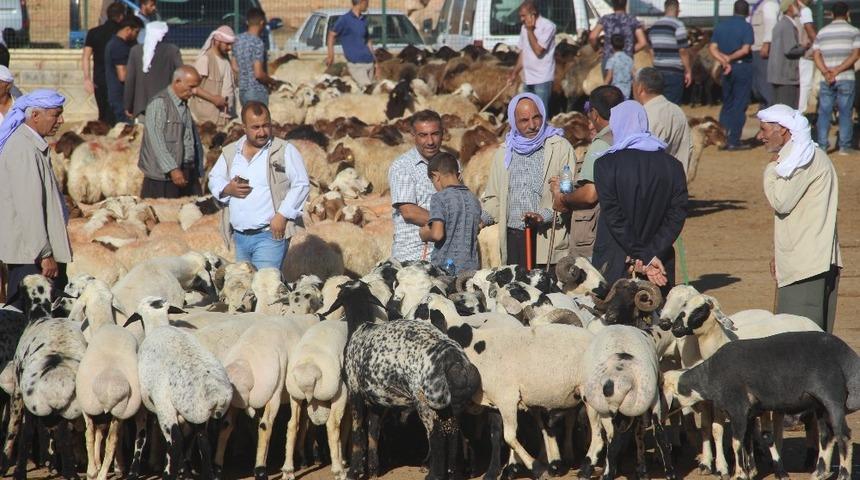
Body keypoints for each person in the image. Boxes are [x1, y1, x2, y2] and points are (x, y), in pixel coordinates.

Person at [756, 104, 841, 332]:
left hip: (808, 265)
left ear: (782, 130)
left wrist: (769, 171)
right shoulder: (798, 157)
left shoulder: (803, 160)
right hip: (804, 261)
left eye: (763, 130)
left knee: (800, 341)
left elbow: (781, 202)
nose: (759, 136)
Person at [592, 100, 687, 290]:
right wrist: (651, 255)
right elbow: (676, 216)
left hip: (615, 259)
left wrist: (640, 255)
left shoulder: (605, 164)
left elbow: (614, 217)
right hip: (658, 264)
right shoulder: (673, 166)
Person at [208, 101, 310, 271]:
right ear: (244, 127)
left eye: (266, 125)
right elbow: (214, 178)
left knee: (264, 286)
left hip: (270, 234)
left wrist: (282, 215)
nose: (262, 132)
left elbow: (301, 184)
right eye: (255, 127)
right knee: (246, 287)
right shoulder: (231, 152)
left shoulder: (283, 150)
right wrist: (227, 189)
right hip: (240, 236)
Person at [481, 92, 575, 269]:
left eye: (537, 117)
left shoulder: (560, 147)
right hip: (514, 239)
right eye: (524, 120)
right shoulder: (503, 153)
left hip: (546, 238)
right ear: (513, 122)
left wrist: (543, 216)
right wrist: (482, 219)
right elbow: (494, 198)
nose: (532, 125)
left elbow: (568, 195)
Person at [0, 90, 70, 306]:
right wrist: (44, 253)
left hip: (32, 254)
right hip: (31, 257)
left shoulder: (31, 145)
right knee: (27, 319)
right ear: (35, 115)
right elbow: (29, 208)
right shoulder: (23, 149)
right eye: (55, 115)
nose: (61, 120)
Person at [551, 85, 625, 260]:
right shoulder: (629, 137)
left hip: (596, 232)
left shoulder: (601, 144)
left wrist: (563, 197)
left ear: (594, 113)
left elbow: (590, 194)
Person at [138, 66, 204, 199]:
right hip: (163, 178)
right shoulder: (159, 104)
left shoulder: (183, 105)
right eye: (191, 87)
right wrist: (172, 169)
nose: (194, 92)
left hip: (185, 172)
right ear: (177, 82)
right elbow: (156, 141)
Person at [388, 110, 442, 262]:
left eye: (435, 134)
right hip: (413, 257)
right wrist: (454, 224)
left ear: (443, 134)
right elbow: (409, 212)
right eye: (423, 135)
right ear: (413, 136)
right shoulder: (402, 166)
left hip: (446, 255)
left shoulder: (451, 165)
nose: (430, 141)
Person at [419, 151, 482, 273]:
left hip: (446, 270)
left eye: (432, 181)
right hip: (470, 270)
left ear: (436, 176)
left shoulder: (439, 198)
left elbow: (437, 234)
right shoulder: (473, 198)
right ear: (458, 175)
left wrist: (424, 234)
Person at [813, 1, 860, 155]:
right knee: (846, 111)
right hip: (846, 76)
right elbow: (855, 55)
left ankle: (822, 145)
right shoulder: (854, 31)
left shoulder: (822, 32)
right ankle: (844, 147)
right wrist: (838, 69)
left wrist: (826, 71)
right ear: (847, 14)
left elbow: (816, 55)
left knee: (824, 111)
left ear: (831, 14)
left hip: (826, 78)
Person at [709, 0, 755, 150]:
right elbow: (745, 49)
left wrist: (723, 60)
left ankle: (722, 138)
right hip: (741, 68)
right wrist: (730, 58)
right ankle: (734, 140)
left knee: (727, 103)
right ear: (747, 12)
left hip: (725, 69)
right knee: (739, 104)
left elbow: (712, 48)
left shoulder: (721, 26)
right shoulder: (746, 27)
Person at [634, 67, 692, 176]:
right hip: (676, 182)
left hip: (654, 185)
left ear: (640, 87)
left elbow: (645, 159)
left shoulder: (646, 115)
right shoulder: (677, 110)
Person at [124, 21, 182, 121]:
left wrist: (127, 105)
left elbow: (130, 80)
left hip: (142, 107)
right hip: (166, 106)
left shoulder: (136, 51)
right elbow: (181, 76)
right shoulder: (172, 50)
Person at [507, 0, 556, 110]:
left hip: (542, 79)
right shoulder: (524, 28)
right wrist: (515, 72)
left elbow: (538, 51)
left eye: (523, 16)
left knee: (540, 112)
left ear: (533, 14)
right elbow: (523, 52)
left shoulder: (548, 27)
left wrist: (530, 31)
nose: (521, 19)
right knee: (527, 111)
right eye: (520, 16)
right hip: (527, 79)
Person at [83, 1, 125, 124]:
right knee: (117, 116)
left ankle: (103, 140)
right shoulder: (122, 34)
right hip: (118, 81)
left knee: (103, 114)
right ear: (121, 16)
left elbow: (86, 56)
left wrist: (87, 78)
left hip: (99, 80)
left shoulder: (93, 32)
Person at [646, 0, 691, 105]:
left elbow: (651, 50)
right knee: (672, 106)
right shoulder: (678, 25)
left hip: (657, 71)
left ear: (665, 9)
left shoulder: (654, 26)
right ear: (677, 10)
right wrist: (688, 71)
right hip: (674, 71)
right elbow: (683, 50)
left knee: (658, 105)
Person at [326, 0, 378, 90]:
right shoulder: (344, 20)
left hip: (369, 62)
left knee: (369, 93)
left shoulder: (364, 19)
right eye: (367, 3)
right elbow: (331, 34)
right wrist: (331, 55)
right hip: (356, 65)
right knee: (368, 90)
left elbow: (368, 40)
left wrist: (376, 61)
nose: (367, 6)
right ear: (361, 2)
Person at [190, 26, 236, 125]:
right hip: (207, 120)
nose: (230, 48)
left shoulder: (226, 59)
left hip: (224, 117)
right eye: (227, 44)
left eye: (231, 44)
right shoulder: (205, 59)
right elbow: (193, 87)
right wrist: (213, 99)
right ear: (217, 41)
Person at [234, 8, 279, 106]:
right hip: (257, 91)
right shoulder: (258, 43)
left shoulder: (237, 40)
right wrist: (272, 81)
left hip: (242, 90)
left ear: (247, 22)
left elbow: (234, 66)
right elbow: (258, 74)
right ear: (262, 23)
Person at [105, 16, 143, 126]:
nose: (137, 35)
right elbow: (122, 75)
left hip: (119, 96)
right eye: (136, 32)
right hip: (121, 97)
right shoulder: (118, 46)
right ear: (128, 30)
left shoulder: (116, 43)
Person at [768, 0, 806, 107]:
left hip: (778, 75)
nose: (799, 7)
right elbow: (789, 50)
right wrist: (804, 48)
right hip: (786, 76)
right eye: (796, 5)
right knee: (787, 110)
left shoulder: (780, 24)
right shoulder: (787, 25)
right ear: (790, 7)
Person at [589, 0, 648, 70]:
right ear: (625, 4)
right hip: (626, 60)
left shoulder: (606, 19)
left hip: (608, 60)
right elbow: (643, 42)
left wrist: (598, 49)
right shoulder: (632, 20)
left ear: (613, 5)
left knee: (608, 80)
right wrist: (629, 50)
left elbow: (592, 37)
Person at [749, 0, 779, 108]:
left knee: (764, 83)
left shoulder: (769, 4)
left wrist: (766, 43)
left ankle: (769, 108)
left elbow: (771, 25)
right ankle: (764, 107)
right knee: (757, 84)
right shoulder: (760, 5)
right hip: (755, 48)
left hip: (763, 49)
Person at [796, 0, 817, 112]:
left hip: (796, 52)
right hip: (806, 53)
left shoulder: (793, 9)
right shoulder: (806, 10)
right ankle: (800, 111)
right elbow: (809, 29)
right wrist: (818, 45)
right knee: (805, 83)